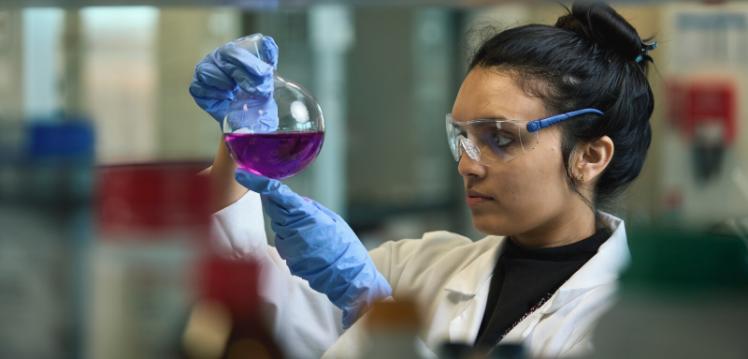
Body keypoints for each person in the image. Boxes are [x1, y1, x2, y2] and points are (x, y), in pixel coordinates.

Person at [189, 2, 655, 358]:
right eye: (461, 137)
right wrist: (241, 137)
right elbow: (251, 300)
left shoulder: (632, 326)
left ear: (590, 156)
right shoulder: (418, 268)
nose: (467, 164)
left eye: (499, 138)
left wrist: (377, 312)